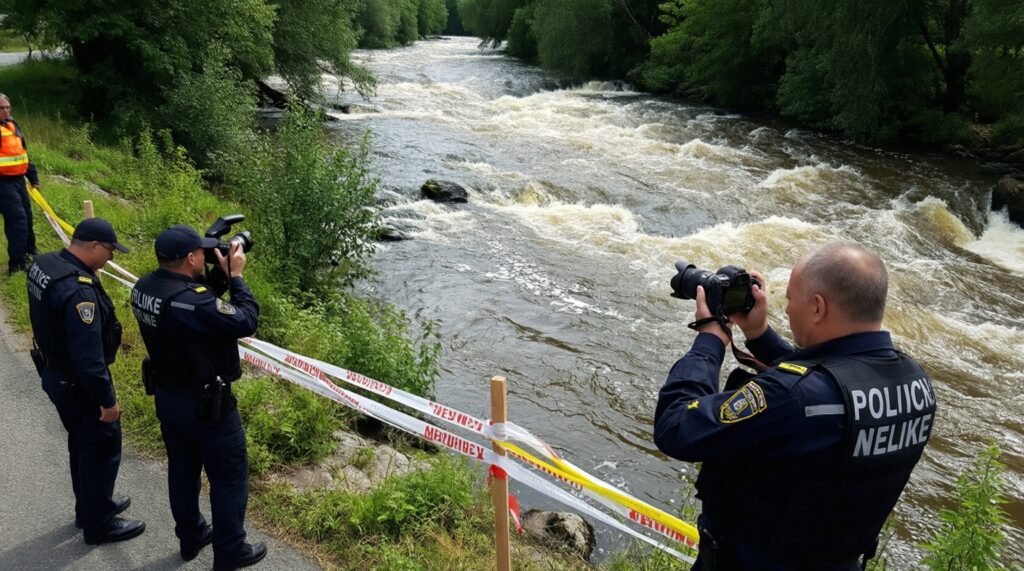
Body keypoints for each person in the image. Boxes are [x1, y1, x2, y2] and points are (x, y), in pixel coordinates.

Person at [653, 242, 937, 571]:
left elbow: (675, 426)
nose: (785, 310)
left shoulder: (793, 399)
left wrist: (710, 337)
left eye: (789, 299)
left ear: (817, 307)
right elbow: (825, 382)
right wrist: (758, 333)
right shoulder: (916, 384)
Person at [130, 225, 266, 569]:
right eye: (202, 254)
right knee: (228, 478)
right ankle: (230, 551)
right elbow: (246, 320)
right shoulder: (193, 303)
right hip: (208, 408)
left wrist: (216, 278)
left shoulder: (144, 287)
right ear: (190, 258)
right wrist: (236, 277)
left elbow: (195, 302)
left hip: (168, 397)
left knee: (183, 470)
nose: (207, 257)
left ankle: (190, 536)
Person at [27, 217, 145, 544]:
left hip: (55, 373)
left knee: (81, 443)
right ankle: (100, 524)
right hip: (79, 384)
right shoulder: (79, 291)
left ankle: (91, 507)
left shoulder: (46, 264)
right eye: (109, 251)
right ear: (93, 246)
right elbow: (89, 359)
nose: (111, 259)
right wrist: (108, 402)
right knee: (100, 449)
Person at [0, 93, 40, 274]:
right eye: (1, 108)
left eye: (7, 107)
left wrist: (34, 178)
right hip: (2, 183)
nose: (5, 110)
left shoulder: (12, 124)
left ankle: (31, 253)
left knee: (28, 217)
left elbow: (23, 153)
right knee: (18, 219)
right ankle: (17, 265)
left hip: (18, 180)